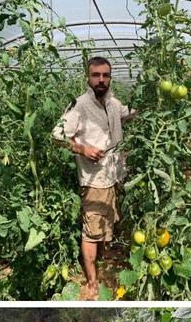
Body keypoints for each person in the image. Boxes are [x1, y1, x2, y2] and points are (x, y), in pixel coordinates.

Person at [52, 57, 136, 300]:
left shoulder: (113, 103)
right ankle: (92, 282)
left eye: (106, 75)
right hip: (94, 181)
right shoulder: (79, 106)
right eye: (96, 75)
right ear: (87, 78)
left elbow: (126, 114)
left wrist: (152, 98)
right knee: (91, 232)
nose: (101, 80)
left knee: (105, 227)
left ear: (110, 78)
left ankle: (100, 267)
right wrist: (83, 149)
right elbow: (57, 134)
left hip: (115, 177)